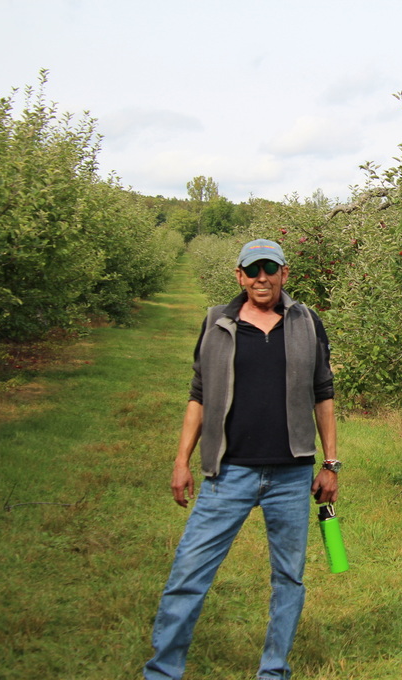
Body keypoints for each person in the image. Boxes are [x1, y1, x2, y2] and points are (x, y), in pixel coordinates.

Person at [144, 239, 340, 680]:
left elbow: (323, 394)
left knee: (288, 580)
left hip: (291, 476)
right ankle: (162, 672)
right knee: (188, 576)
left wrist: (331, 464)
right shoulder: (217, 322)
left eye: (270, 268)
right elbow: (198, 395)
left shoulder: (307, 322)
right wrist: (181, 461)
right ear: (239, 276)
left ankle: (273, 671)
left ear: (285, 273)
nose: (262, 278)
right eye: (253, 270)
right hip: (228, 473)